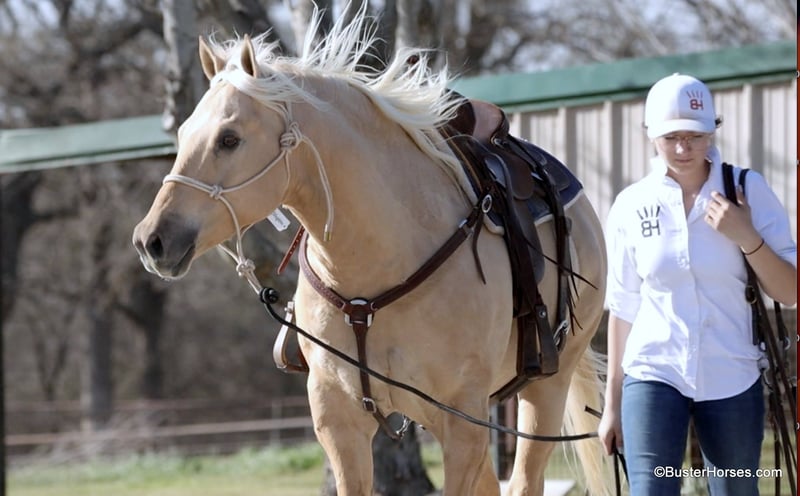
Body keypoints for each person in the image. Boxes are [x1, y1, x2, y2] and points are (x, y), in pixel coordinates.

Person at [597, 73, 797, 496]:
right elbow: (624, 307)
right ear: (650, 134)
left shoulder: (747, 189)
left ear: (712, 131)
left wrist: (748, 237)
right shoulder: (631, 205)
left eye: (695, 136)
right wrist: (611, 404)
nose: (683, 149)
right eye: (671, 138)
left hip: (732, 374)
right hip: (652, 373)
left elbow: (790, 291)